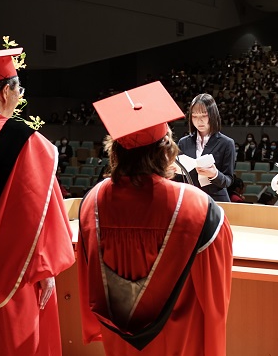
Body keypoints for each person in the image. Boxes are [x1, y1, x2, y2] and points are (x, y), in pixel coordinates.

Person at [78, 81, 233, 356]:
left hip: (120, 344)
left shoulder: (92, 204)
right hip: (179, 343)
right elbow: (215, 298)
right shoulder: (198, 208)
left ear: (116, 150)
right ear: (165, 150)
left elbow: (89, 282)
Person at [0, 48, 75, 355]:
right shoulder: (24, 144)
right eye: (18, 89)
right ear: (5, 91)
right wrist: (45, 270)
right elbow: (43, 222)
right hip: (10, 284)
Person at [177, 93, 236, 202]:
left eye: (204, 115)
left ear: (212, 115)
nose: (199, 121)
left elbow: (228, 180)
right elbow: (179, 178)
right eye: (194, 116)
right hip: (190, 199)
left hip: (216, 200)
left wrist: (215, 174)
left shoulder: (227, 143)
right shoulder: (183, 143)